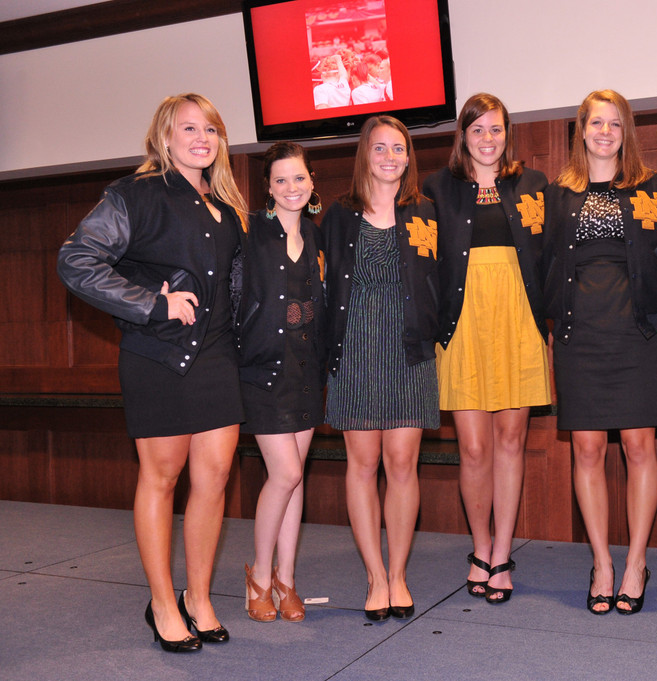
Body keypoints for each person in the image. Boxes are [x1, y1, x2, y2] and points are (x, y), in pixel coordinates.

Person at [57, 93, 248, 652]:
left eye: (210, 129)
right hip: (159, 357)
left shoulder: (226, 205)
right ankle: (163, 603)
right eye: (189, 128)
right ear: (164, 137)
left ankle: (199, 598)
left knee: (214, 480)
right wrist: (152, 303)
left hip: (218, 357)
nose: (202, 138)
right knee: (161, 480)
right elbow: (76, 261)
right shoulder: (134, 195)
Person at [543, 90, 657, 615]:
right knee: (588, 451)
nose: (604, 132)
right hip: (579, 337)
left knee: (640, 449)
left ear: (626, 133)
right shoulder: (557, 193)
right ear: (581, 130)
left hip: (634, 334)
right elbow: (541, 260)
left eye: (615, 124)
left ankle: (636, 562)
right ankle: (602, 563)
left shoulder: (650, 186)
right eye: (596, 123)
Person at [423, 93, 550, 605]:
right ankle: (479, 547)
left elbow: (551, 254)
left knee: (511, 442)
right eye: (477, 130)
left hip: (517, 317)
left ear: (507, 134)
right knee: (474, 448)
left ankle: (501, 552)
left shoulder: (533, 184)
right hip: (462, 321)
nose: (487, 139)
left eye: (496, 129)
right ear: (463, 136)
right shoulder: (437, 187)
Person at [321, 116, 440, 621]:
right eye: (380, 148)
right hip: (354, 349)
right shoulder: (338, 215)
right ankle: (374, 574)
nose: (390, 157)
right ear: (364, 155)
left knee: (402, 463)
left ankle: (398, 574)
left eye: (398, 148)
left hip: (410, 350)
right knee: (363, 464)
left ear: (409, 157)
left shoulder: (426, 212)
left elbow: (443, 279)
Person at [238, 142, 326, 623]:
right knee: (285, 474)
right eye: (281, 180)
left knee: (296, 477)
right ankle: (258, 576)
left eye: (299, 178)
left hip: (306, 368)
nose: (292, 187)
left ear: (312, 182)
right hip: (262, 368)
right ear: (268, 189)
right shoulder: (249, 230)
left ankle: (287, 579)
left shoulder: (314, 233)